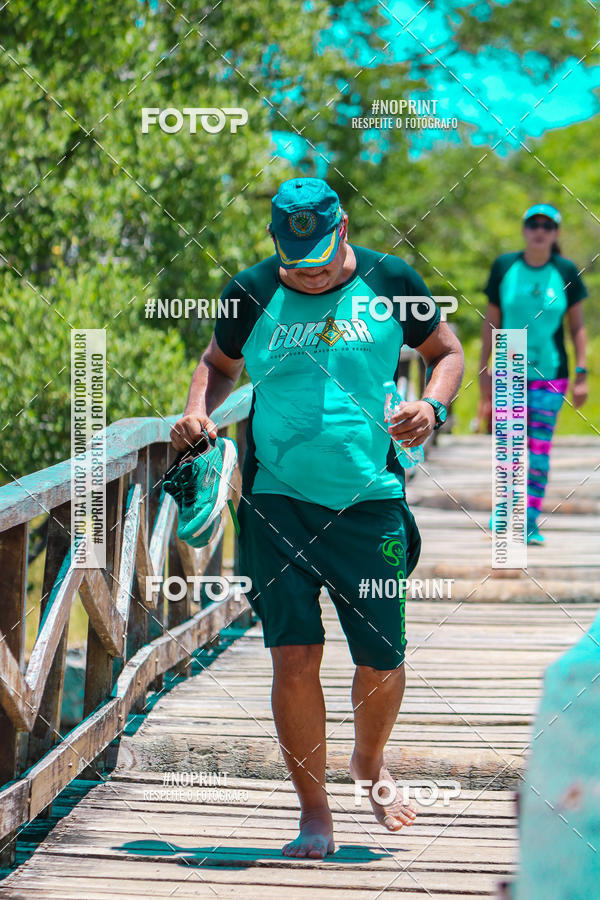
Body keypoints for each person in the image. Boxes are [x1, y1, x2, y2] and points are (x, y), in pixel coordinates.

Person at [171, 177, 464, 859]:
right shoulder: (250, 292)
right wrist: (197, 409)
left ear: (345, 228)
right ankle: (315, 813)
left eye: (323, 257)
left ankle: (368, 760)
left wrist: (435, 408)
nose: (310, 272)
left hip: (370, 502)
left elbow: (445, 354)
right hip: (277, 503)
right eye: (296, 260)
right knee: (294, 657)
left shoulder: (393, 279)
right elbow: (216, 365)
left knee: (382, 659)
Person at [479, 203, 588, 544]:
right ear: (524, 229)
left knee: (538, 450)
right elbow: (491, 324)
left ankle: (529, 519)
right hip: (509, 367)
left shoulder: (565, 270)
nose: (540, 230)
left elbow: (578, 327)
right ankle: (505, 513)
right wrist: (483, 373)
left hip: (551, 374)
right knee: (509, 448)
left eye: (547, 225)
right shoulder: (504, 266)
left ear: (556, 233)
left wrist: (583, 373)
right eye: (533, 224)